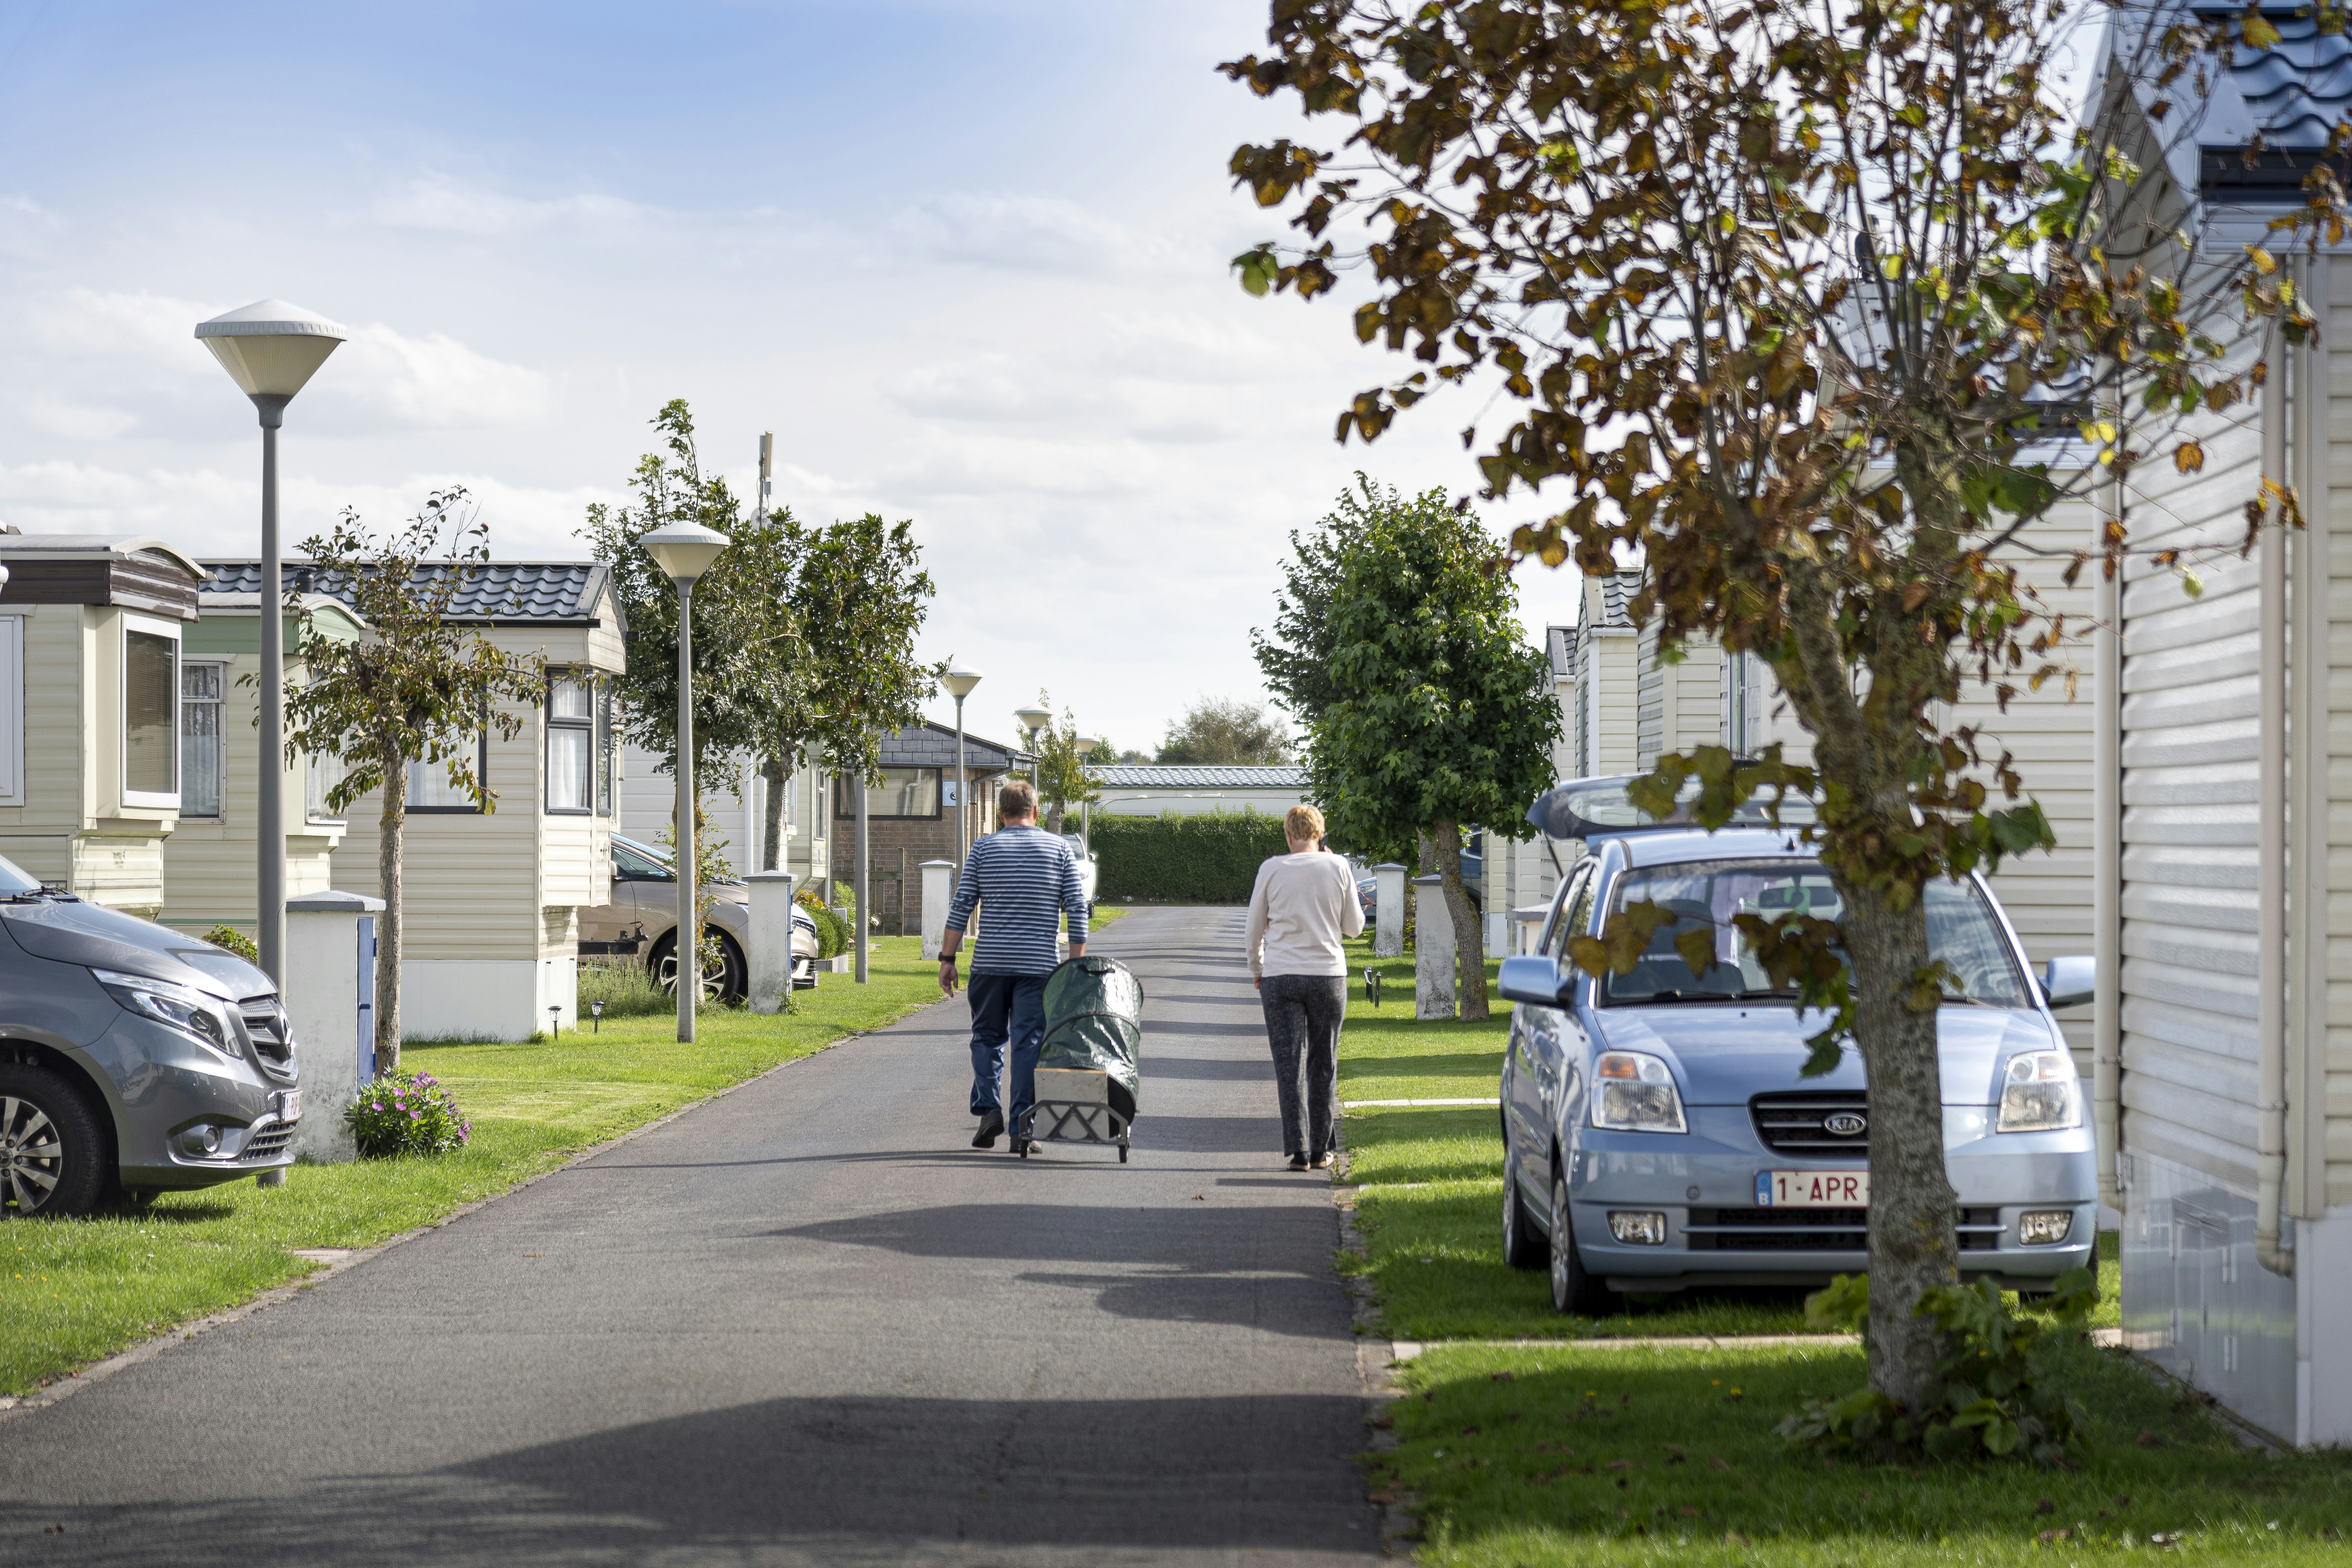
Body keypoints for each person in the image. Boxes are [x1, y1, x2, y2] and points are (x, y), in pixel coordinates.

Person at [939, 778, 1089, 1154]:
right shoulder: (1060, 849)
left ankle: (989, 1110)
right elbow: (1077, 909)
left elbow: (962, 904)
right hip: (1038, 966)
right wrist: (1074, 967)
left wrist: (947, 959)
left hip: (990, 964)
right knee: (1029, 1042)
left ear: (1001, 813)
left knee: (986, 1037)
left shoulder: (983, 848)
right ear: (1035, 811)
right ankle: (1023, 1127)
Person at [1244, 804, 1364, 1170]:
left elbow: (1253, 930)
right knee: (1323, 1061)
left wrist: (1258, 968)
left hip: (1281, 975)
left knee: (1289, 1064)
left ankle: (1298, 1152)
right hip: (1328, 975)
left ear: (1288, 835)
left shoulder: (1271, 869)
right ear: (1320, 833)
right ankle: (1321, 1150)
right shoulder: (1338, 866)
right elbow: (1354, 927)